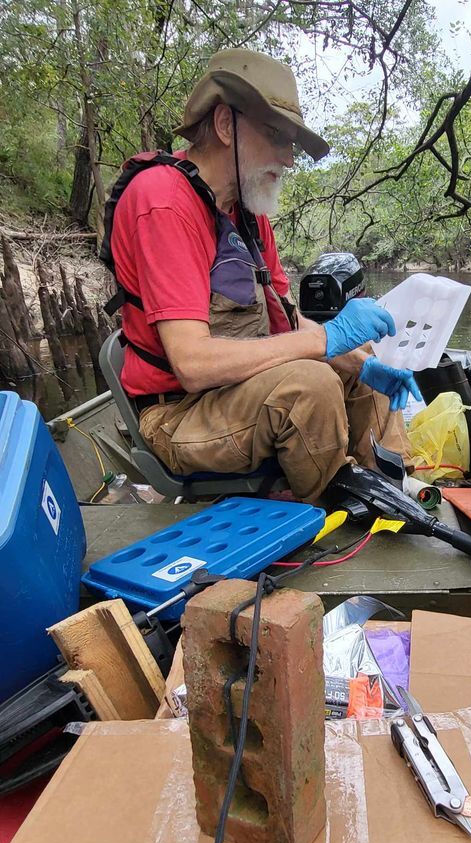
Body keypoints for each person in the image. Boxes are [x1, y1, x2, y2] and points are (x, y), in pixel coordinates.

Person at [104, 47, 421, 503]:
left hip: (237, 392)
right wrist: (324, 341)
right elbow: (191, 366)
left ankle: (396, 487)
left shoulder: (248, 214)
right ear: (225, 125)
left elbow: (286, 324)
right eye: (276, 136)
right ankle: (334, 508)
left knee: (360, 355)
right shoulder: (163, 202)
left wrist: (362, 363)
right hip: (178, 414)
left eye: (290, 143)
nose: (289, 158)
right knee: (309, 386)